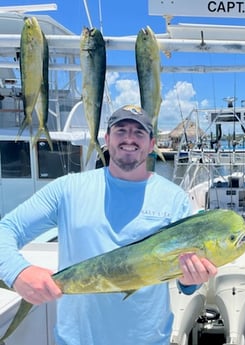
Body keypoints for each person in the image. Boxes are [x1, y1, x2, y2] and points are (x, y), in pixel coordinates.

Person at [0, 105, 217, 345]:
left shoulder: (175, 199)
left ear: (151, 143)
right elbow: (6, 228)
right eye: (121, 130)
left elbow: (186, 284)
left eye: (139, 132)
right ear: (107, 139)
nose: (129, 138)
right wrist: (18, 272)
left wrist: (191, 279)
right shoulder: (68, 189)